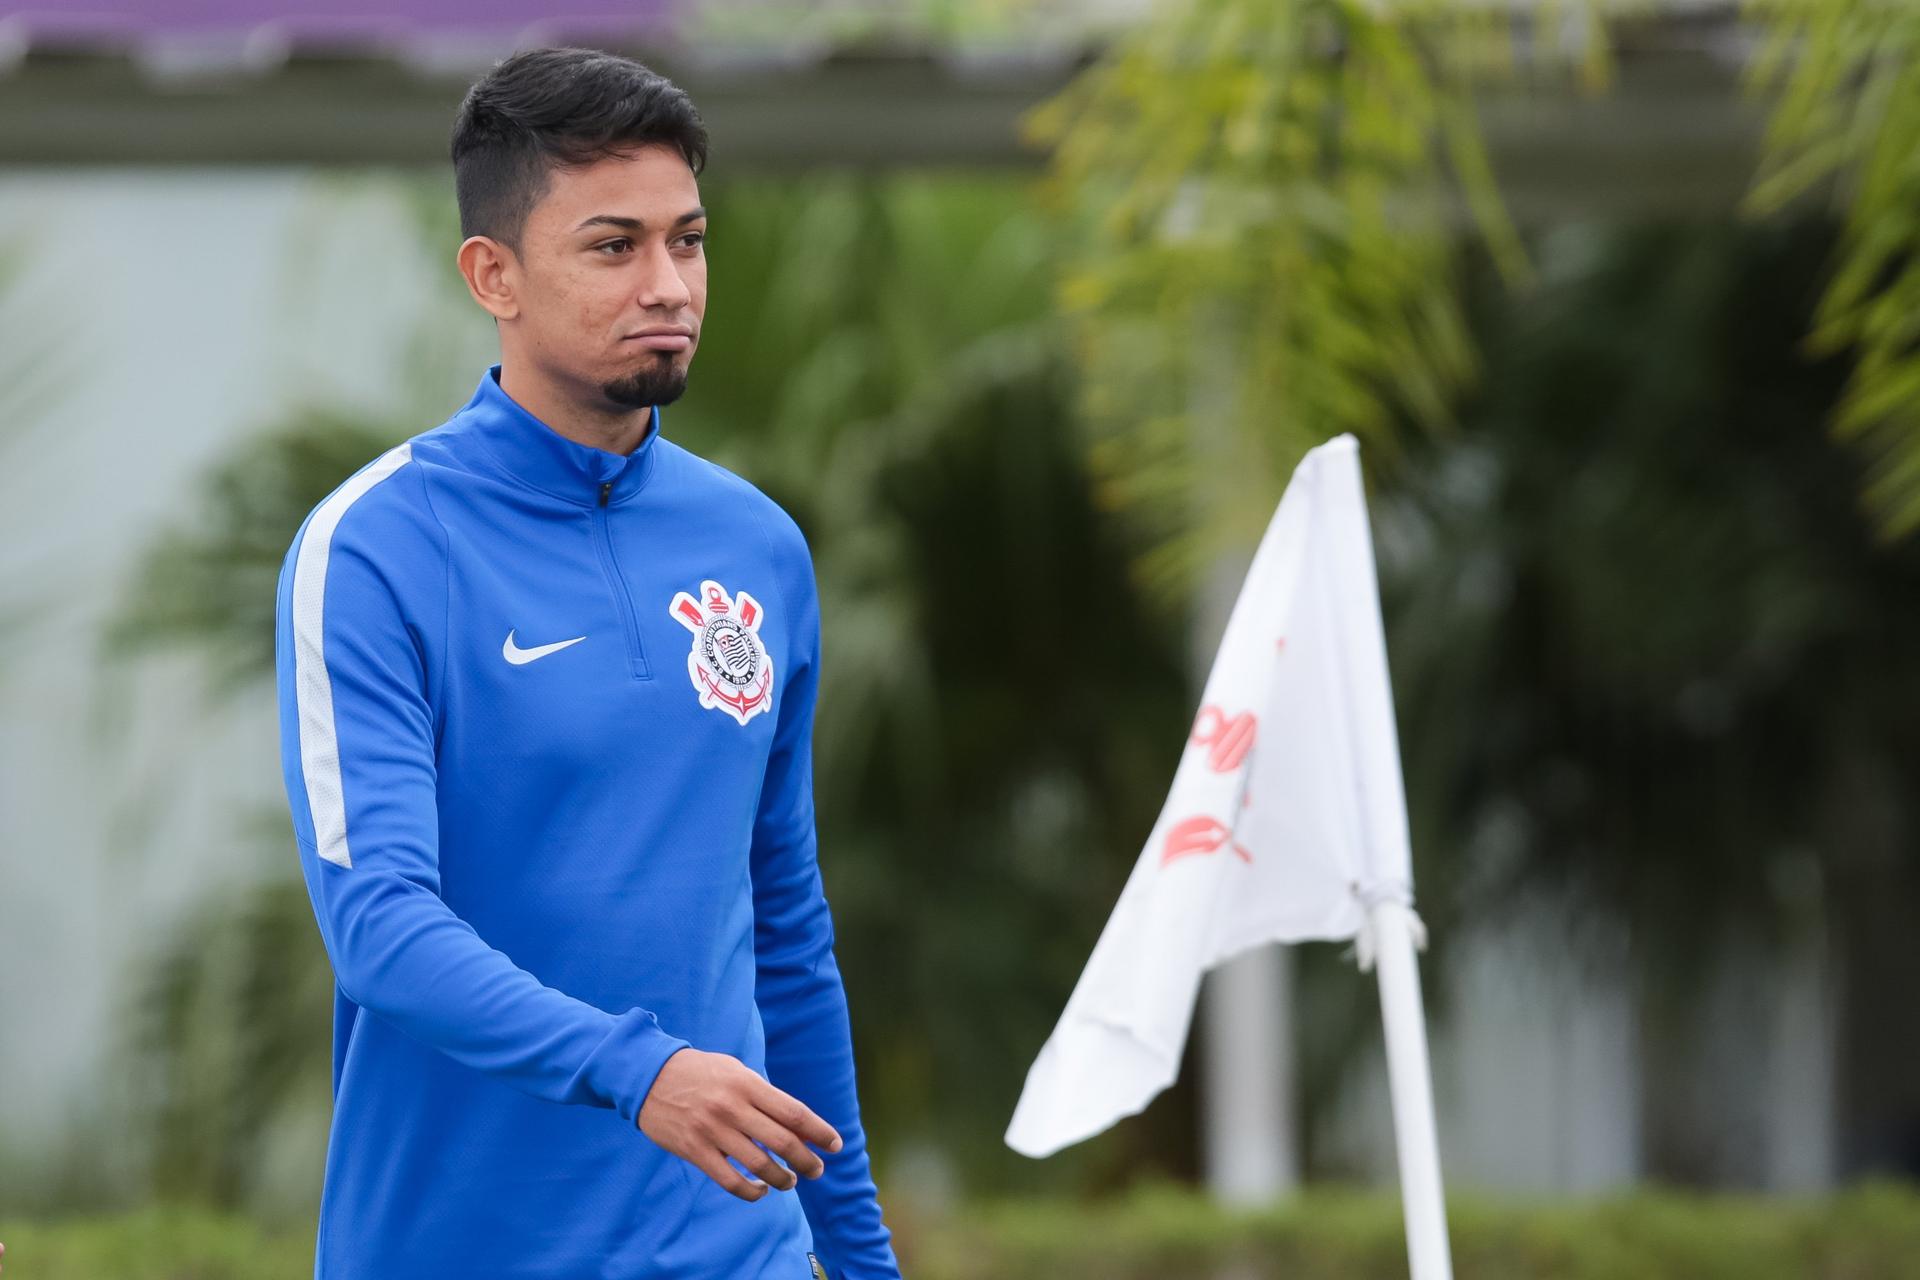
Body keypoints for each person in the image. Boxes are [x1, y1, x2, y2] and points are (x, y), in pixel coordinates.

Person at [273, 46, 900, 1279]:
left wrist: (862, 1260)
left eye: (689, 239)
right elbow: (383, 927)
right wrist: (642, 1069)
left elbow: (784, 927)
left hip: (738, 1256)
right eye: (615, 246)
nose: (668, 283)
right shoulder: (377, 546)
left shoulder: (757, 547)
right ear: (491, 273)